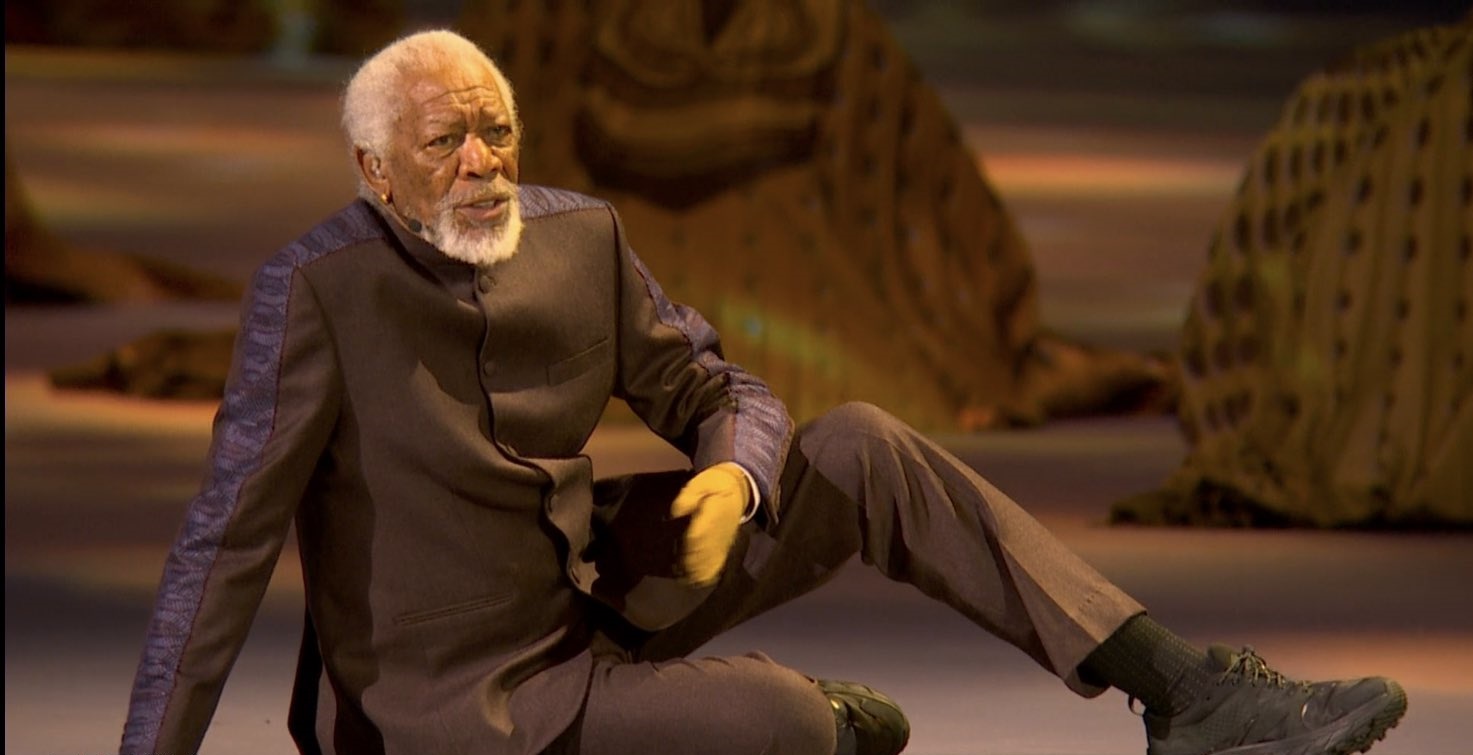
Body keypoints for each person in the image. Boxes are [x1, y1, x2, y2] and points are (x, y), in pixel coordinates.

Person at [120, 29, 1407, 755]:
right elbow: (218, 551)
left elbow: (713, 381)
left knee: (862, 445)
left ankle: (1186, 692)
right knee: (786, 722)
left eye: (495, 129)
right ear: (374, 171)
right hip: (458, 705)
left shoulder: (578, 235)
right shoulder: (315, 292)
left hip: (593, 587)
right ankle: (810, 721)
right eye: (443, 141)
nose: (481, 162)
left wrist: (734, 472)